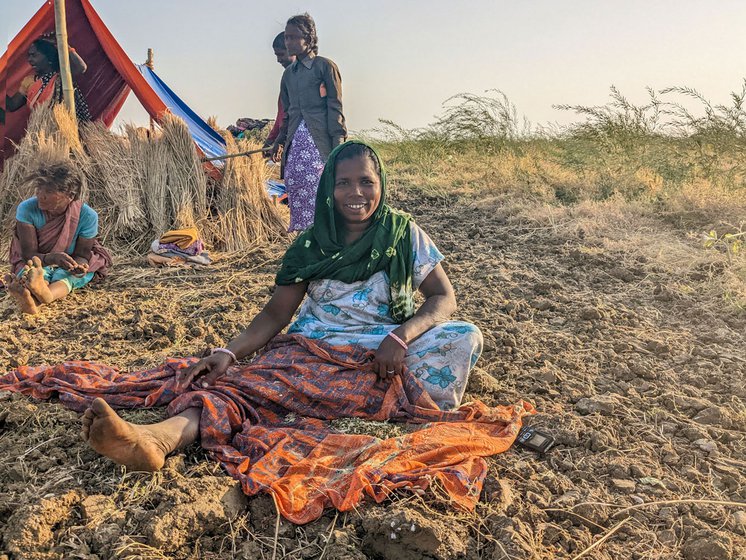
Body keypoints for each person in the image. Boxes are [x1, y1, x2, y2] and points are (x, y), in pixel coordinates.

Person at [78, 141, 484, 472]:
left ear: (381, 184)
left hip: (381, 352)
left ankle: (361, 395)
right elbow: (276, 315)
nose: (356, 193)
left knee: (464, 336)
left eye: (366, 182)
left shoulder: (404, 233)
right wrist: (228, 352)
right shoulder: (311, 243)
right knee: (248, 386)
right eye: (344, 183)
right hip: (313, 349)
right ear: (328, 188)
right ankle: (157, 439)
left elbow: (442, 298)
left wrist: (401, 335)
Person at [271, 13, 347, 231]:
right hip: (295, 148)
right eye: (286, 38)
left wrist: (338, 145)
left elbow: (335, 108)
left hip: (320, 145)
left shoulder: (325, 68)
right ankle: (304, 242)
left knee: (321, 193)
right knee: (295, 189)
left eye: (294, 37)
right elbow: (288, 115)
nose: (289, 42)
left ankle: (324, 241)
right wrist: (279, 141)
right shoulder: (288, 76)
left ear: (309, 38)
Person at [4, 161, 111, 314]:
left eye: (48, 191)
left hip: (68, 260)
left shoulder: (87, 216)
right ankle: (37, 292)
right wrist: (52, 258)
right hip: (38, 258)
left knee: (68, 276)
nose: (41, 195)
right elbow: (28, 253)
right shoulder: (27, 209)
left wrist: (79, 266)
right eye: (39, 189)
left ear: (70, 196)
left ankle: (39, 298)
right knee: (34, 270)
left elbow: (82, 254)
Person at [5, 35, 92, 122]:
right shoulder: (29, 81)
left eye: (34, 55)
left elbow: (81, 67)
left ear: (49, 57)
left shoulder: (61, 78)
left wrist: (62, 44)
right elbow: (12, 105)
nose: (29, 60)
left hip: (65, 127)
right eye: (29, 56)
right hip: (41, 130)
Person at [262, 32, 296, 152]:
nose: (278, 60)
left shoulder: (305, 79)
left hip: (299, 141)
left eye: (281, 54)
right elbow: (281, 116)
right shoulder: (287, 78)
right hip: (286, 141)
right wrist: (270, 141)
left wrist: (279, 139)